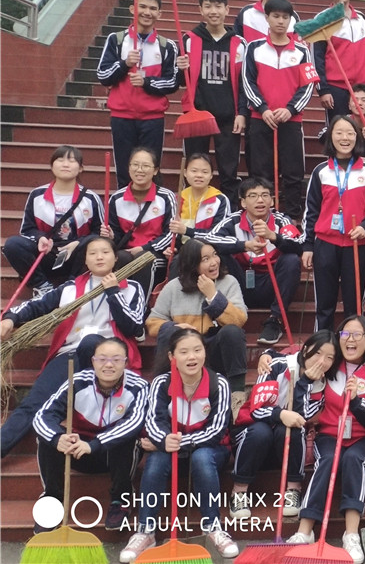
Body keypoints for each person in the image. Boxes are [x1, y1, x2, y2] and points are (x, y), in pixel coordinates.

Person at [0, 235, 145, 458]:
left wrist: (113, 292)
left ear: (116, 258)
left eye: (105, 252)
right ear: (85, 260)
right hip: (70, 354)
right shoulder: (70, 288)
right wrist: (10, 318)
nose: (99, 257)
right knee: (33, 403)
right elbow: (37, 305)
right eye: (92, 253)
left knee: (91, 342)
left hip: (110, 360)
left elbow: (134, 326)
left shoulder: (131, 288)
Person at [119, 329, 237, 562]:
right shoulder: (162, 383)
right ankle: (145, 530)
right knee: (156, 459)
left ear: (205, 353)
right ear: (172, 357)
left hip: (210, 451)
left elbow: (217, 430)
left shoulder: (219, 384)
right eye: (184, 352)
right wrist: (164, 440)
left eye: (197, 350)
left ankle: (213, 526)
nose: (191, 357)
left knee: (202, 456)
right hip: (170, 451)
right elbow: (153, 422)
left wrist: (179, 442)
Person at [287, 316, 365, 564]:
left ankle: (351, 534)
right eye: (345, 334)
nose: (350, 339)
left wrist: (356, 401)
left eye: (357, 334)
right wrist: (268, 356)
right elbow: (294, 360)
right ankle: (305, 530)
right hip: (331, 434)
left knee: (353, 459)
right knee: (328, 459)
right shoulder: (330, 365)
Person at [32, 336, 147, 532]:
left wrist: (94, 445)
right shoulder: (77, 381)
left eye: (116, 359)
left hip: (112, 454)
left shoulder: (139, 387)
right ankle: (52, 499)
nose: (108, 365)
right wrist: (58, 439)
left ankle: (121, 499)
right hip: (77, 451)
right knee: (47, 438)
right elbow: (42, 416)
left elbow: (133, 423)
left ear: (126, 362)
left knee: (128, 439)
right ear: (93, 361)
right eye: (102, 359)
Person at [230, 331, 332, 525]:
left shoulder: (321, 385)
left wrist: (305, 383)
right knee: (261, 431)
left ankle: (293, 489)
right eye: (318, 353)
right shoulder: (276, 366)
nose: (322, 361)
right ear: (305, 350)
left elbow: (301, 418)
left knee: (293, 429)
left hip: (284, 447)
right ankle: (239, 491)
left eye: (329, 357)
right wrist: (280, 414)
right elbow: (256, 410)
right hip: (252, 440)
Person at [97, 0, 181, 188]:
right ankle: (124, 204)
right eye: (142, 6)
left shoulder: (167, 46)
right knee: (126, 168)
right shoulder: (116, 40)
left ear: (159, 14)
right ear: (132, 9)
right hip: (122, 115)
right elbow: (103, 75)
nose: (147, 12)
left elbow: (172, 82)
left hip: (152, 117)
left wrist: (147, 83)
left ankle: (152, 205)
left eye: (152, 8)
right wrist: (124, 64)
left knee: (151, 168)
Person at [204, 177, 303, 346]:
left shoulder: (281, 220)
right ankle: (224, 315)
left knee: (291, 259)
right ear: (243, 202)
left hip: (271, 284)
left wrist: (274, 237)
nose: (260, 200)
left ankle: (275, 319)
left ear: (272, 201)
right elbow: (209, 239)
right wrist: (244, 245)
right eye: (253, 196)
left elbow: (299, 244)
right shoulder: (233, 220)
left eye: (265, 195)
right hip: (240, 283)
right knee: (219, 256)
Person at [302, 115, 365, 330]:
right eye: (339, 133)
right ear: (331, 136)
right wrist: (308, 246)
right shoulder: (321, 171)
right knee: (324, 305)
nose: (344, 138)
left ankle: (350, 344)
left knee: (354, 307)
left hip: (356, 245)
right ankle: (324, 344)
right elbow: (311, 211)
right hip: (325, 244)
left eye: (350, 133)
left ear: (357, 137)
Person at [146, 239, 248, 402]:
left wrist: (213, 296)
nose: (214, 262)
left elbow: (238, 320)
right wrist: (177, 327)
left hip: (213, 350)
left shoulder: (229, 282)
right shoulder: (173, 287)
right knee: (169, 331)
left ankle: (237, 396)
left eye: (214, 255)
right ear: (192, 264)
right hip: (186, 351)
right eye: (205, 259)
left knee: (232, 332)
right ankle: (165, 389)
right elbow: (152, 323)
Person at [242, 0, 314, 222]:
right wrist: (262, 108)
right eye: (276, 16)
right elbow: (247, 81)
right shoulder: (254, 48)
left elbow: (308, 85)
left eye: (285, 17)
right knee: (260, 170)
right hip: (260, 118)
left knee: (293, 171)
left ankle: (291, 218)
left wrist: (291, 109)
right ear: (267, 18)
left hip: (291, 121)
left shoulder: (302, 50)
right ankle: (262, 216)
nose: (280, 21)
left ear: (291, 20)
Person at [2, 145, 103, 296]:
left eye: (71, 161)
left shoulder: (90, 198)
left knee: (91, 245)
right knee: (13, 244)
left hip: (77, 255)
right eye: (60, 160)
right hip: (47, 253)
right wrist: (40, 238)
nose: (65, 164)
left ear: (81, 168)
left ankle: (72, 287)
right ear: (51, 166)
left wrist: (79, 243)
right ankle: (42, 286)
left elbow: (99, 233)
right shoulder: (37, 195)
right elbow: (27, 229)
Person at [179, 0, 248, 203]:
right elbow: (180, 80)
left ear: (227, 9)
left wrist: (242, 113)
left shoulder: (239, 43)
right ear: (200, 10)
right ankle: (192, 209)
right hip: (197, 113)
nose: (213, 11)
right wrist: (180, 68)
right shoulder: (189, 39)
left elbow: (244, 83)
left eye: (218, 6)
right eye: (208, 6)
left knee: (228, 170)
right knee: (195, 167)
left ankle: (228, 210)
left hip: (228, 115)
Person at [103, 146, 176, 297]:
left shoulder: (166, 197)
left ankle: (140, 305)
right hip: (127, 252)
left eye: (146, 166)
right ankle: (120, 302)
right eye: (135, 165)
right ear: (129, 168)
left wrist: (145, 248)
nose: (139, 170)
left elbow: (171, 233)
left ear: (155, 170)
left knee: (143, 258)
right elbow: (117, 236)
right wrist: (111, 236)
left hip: (155, 253)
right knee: (119, 257)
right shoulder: (117, 198)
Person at [167, 153, 232, 244]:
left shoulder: (219, 200)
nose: (199, 175)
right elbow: (170, 230)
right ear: (185, 173)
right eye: (194, 171)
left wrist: (187, 231)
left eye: (205, 172)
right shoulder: (178, 198)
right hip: (182, 248)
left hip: (209, 248)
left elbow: (219, 234)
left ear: (211, 175)